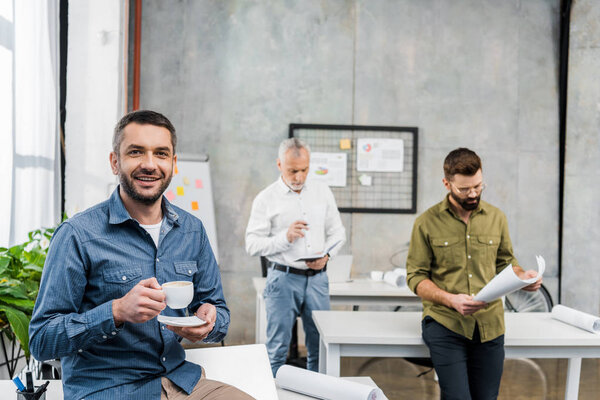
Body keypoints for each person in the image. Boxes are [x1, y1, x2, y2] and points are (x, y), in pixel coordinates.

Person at [29, 110, 254, 399]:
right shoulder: (77, 234)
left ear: (173, 163)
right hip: (108, 389)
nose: (149, 164)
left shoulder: (192, 230)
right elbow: (41, 339)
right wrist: (116, 311)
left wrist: (210, 322)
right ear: (115, 162)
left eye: (161, 154)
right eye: (136, 152)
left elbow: (217, 310)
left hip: (182, 382)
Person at [406, 148, 542, 400]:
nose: (473, 194)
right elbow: (415, 277)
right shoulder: (426, 222)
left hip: (489, 325)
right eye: (464, 189)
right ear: (447, 183)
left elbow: (506, 262)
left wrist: (524, 278)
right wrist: (451, 299)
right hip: (445, 323)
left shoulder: (496, 218)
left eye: (478, 186)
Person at [245, 138, 346, 376]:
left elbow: (338, 232)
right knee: (277, 348)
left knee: (319, 346)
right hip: (283, 279)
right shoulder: (266, 198)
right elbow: (251, 244)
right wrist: (285, 237)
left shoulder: (322, 192)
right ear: (279, 165)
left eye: (304, 170)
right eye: (292, 170)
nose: (299, 176)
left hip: (318, 279)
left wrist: (328, 256)